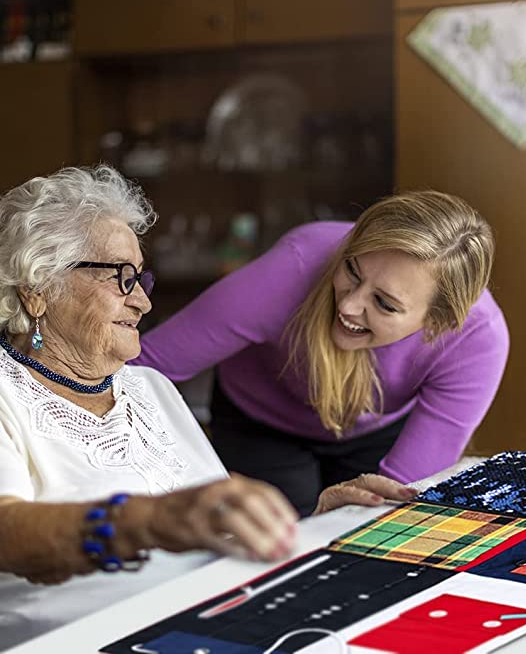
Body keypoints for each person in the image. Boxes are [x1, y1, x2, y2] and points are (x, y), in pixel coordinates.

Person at [0, 166, 413, 650]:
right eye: (121, 278)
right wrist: (150, 520)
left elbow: (213, 535)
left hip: (220, 624)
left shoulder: (150, 388)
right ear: (38, 287)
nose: (143, 304)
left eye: (141, 279)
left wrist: (312, 525)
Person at [135, 191, 510, 516]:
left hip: (376, 430)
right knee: (270, 549)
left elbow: (400, 502)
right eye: (352, 270)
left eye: (383, 303)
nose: (349, 305)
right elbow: (141, 366)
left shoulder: (478, 340)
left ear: (438, 323)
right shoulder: (295, 266)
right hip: (261, 421)